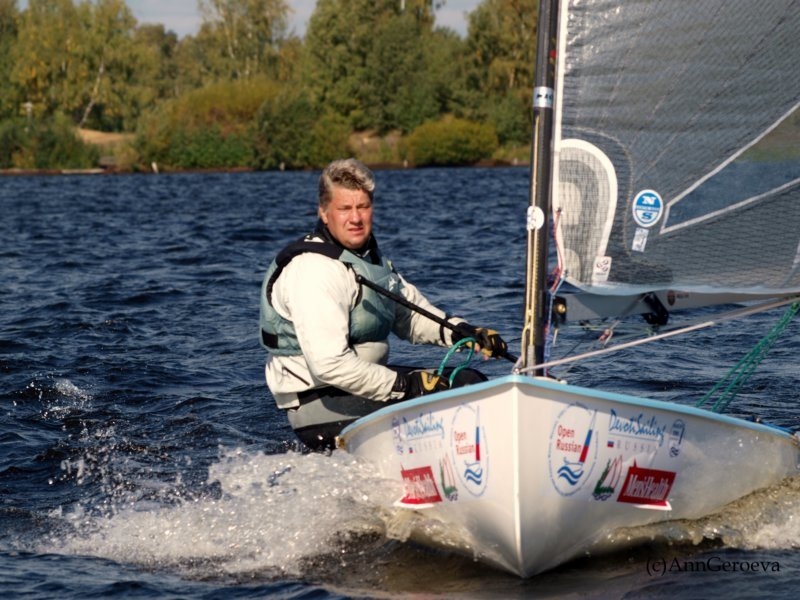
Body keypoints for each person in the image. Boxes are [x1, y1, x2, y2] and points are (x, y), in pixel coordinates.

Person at [259, 158, 508, 450]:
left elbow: (410, 317)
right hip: (321, 405)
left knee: (468, 380)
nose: (356, 218)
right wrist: (406, 385)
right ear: (324, 213)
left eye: (363, 207)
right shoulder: (314, 270)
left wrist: (463, 333)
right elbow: (330, 365)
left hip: (361, 390)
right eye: (345, 208)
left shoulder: (368, 259)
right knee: (462, 387)